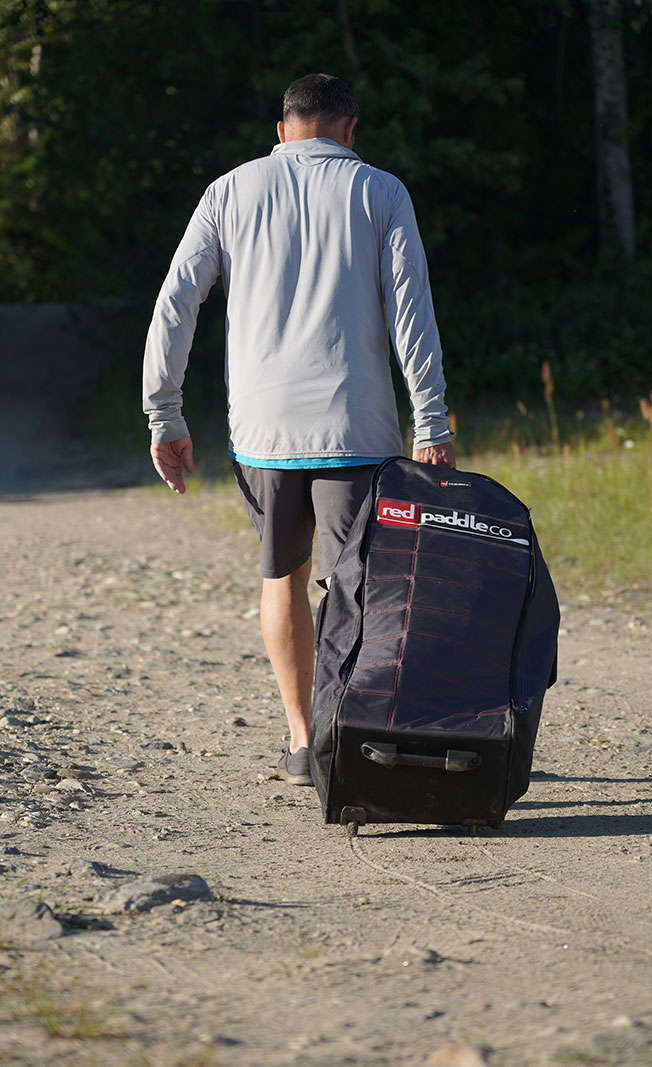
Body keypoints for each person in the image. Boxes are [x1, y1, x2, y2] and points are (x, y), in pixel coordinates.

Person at [143, 73, 455, 787]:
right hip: (358, 426)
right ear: (351, 129)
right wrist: (430, 420)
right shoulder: (380, 191)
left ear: (282, 130)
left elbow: (175, 303)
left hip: (263, 428)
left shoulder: (229, 190)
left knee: (279, 573)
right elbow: (412, 314)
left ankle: (301, 737)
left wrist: (165, 413)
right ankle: (357, 732)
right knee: (358, 583)